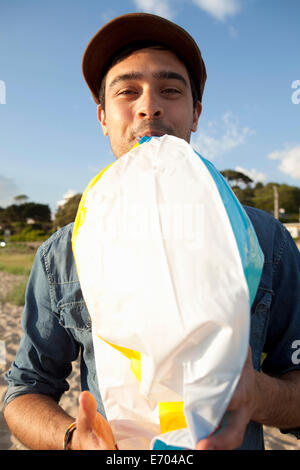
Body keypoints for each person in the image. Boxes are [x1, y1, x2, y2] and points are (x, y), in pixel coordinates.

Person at [3, 12, 300, 451]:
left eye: (170, 90)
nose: (149, 106)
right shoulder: (62, 255)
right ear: (103, 116)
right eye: (127, 91)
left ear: (196, 113)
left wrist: (258, 394)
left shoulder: (265, 240)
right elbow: (23, 391)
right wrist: (72, 439)